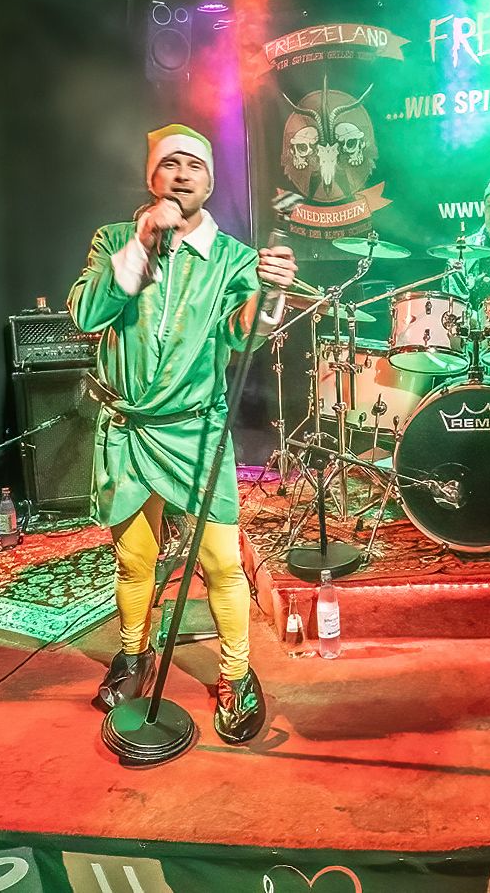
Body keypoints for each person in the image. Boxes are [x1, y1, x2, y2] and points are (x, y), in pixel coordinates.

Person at [68, 123, 296, 745]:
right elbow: (87, 313)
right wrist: (143, 241)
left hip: (195, 431)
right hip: (128, 427)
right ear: (152, 177)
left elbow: (244, 333)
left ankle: (236, 674)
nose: (182, 173)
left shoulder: (232, 258)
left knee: (221, 562)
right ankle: (134, 654)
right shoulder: (114, 239)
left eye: (195, 164)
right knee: (134, 558)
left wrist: (270, 291)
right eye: (170, 163)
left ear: (211, 180)